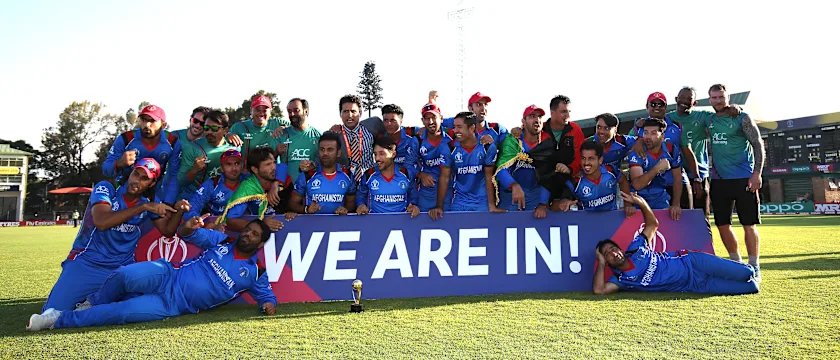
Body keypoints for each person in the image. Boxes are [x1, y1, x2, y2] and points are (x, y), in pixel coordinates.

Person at [26, 217, 278, 331]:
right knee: (124, 275)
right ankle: (92, 302)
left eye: (254, 234)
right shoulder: (222, 240)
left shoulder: (256, 272)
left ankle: (57, 319)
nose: (247, 234)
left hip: (172, 304)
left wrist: (268, 304)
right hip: (167, 274)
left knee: (120, 313)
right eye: (247, 230)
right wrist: (188, 227)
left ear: (259, 244)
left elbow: (267, 295)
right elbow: (188, 234)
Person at [41, 159, 189, 312]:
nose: (136, 180)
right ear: (130, 173)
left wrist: (180, 212)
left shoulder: (148, 202)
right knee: (51, 312)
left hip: (121, 269)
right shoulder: (107, 189)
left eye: (144, 178)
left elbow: (167, 231)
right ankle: (91, 301)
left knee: (139, 307)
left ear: (151, 184)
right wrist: (143, 207)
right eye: (135, 174)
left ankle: (92, 303)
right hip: (87, 262)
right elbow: (101, 222)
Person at [592, 191, 759, 295]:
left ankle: (750, 269)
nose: (613, 253)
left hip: (693, 262)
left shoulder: (636, 249)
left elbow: (652, 225)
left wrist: (642, 204)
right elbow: (599, 290)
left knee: (746, 274)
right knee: (752, 287)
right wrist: (600, 263)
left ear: (620, 249)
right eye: (608, 254)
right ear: (606, 261)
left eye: (613, 249)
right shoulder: (621, 279)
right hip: (694, 284)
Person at [707, 84, 765, 280]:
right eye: (714, 98)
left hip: (744, 179)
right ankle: (737, 264)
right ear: (709, 99)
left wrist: (757, 173)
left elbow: (757, 143)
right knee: (722, 224)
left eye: (721, 97)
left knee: (748, 224)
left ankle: (754, 265)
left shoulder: (742, 117)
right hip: (719, 180)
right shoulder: (709, 120)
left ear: (728, 97)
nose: (718, 101)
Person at [668, 86, 741, 216]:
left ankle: (705, 237)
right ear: (676, 99)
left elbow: (722, 115)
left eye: (689, 99)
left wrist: (735, 107)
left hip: (700, 174)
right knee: (678, 216)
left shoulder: (703, 117)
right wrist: (639, 122)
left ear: (694, 103)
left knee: (702, 216)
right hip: (674, 174)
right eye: (682, 98)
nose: (684, 101)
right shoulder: (666, 119)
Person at [429, 112, 502, 220]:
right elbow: (444, 177)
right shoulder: (449, 148)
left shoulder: (487, 147)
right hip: (460, 201)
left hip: (482, 202)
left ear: (472, 128)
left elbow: (489, 177)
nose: (455, 131)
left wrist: (491, 205)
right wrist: (439, 206)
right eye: (454, 127)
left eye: (459, 127)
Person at [102, 104, 181, 204]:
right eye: (144, 120)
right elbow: (106, 170)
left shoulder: (172, 142)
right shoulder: (126, 138)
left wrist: (168, 203)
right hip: (125, 191)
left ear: (163, 125)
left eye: (152, 121)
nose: (147, 124)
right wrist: (119, 163)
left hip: (155, 193)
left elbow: (174, 176)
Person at [493, 105, 551, 218]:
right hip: (511, 196)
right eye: (532, 116)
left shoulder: (546, 144)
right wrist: (514, 185)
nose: (537, 120)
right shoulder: (513, 141)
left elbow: (548, 176)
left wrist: (543, 203)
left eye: (539, 117)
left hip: (535, 196)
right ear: (523, 121)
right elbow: (501, 169)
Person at [216, 147, 287, 233]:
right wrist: (261, 225)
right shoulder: (247, 187)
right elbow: (230, 221)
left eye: (274, 162)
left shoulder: (280, 177)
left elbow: (282, 166)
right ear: (255, 169)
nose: (274, 167)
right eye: (268, 164)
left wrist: (275, 185)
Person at [555, 141, 635, 216]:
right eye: (583, 158)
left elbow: (623, 181)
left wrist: (627, 204)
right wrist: (561, 204)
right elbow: (554, 205)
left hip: (612, 220)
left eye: (591, 158)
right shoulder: (575, 181)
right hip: (588, 224)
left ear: (600, 160)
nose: (586, 163)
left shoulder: (611, 171)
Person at [286, 132, 356, 218]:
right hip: (313, 228)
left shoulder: (347, 175)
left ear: (338, 153)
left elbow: (351, 204)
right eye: (322, 149)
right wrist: (306, 209)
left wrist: (345, 210)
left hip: (338, 228)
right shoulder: (307, 175)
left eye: (330, 149)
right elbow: (292, 203)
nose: (325, 153)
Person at [176, 110, 239, 201]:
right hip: (194, 197)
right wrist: (194, 170)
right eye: (206, 128)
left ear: (225, 130)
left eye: (214, 128)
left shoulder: (235, 147)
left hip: (222, 197)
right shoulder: (192, 148)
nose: (209, 132)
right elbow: (181, 180)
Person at [628, 118, 683, 220]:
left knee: (667, 230)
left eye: (653, 133)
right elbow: (637, 185)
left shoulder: (671, 150)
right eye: (645, 133)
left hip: (660, 198)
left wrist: (676, 204)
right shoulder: (637, 151)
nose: (648, 137)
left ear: (662, 136)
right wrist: (656, 168)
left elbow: (678, 178)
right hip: (638, 199)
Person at [356, 136, 420, 217]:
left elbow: (413, 195)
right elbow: (361, 195)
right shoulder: (369, 174)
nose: (377, 158)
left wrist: (413, 205)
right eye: (375, 154)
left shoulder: (406, 174)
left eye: (382, 153)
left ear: (393, 154)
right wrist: (361, 205)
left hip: (401, 223)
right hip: (374, 223)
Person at [225, 95, 290, 169]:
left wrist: (284, 127)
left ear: (270, 111)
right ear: (251, 111)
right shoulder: (239, 126)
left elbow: (298, 127)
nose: (261, 113)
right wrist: (228, 135)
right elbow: (223, 139)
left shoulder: (277, 123)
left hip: (272, 173)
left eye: (264, 110)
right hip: (247, 174)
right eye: (257, 110)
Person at [185, 149, 246, 222]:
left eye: (237, 164)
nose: (234, 168)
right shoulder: (212, 184)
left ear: (242, 166)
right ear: (221, 168)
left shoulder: (249, 182)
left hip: (244, 225)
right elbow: (194, 206)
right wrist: (197, 220)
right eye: (228, 164)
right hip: (215, 225)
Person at [415, 104, 455, 212]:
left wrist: (484, 138)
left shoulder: (452, 137)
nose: (431, 122)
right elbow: (408, 164)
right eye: (427, 118)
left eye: (434, 117)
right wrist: (420, 174)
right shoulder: (418, 139)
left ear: (441, 119)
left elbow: (469, 124)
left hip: (448, 191)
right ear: (422, 121)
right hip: (426, 193)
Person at [273, 98, 321, 184]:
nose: (292, 114)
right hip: (287, 189)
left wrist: (314, 165)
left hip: (312, 188)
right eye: (289, 111)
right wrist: (276, 152)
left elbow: (326, 162)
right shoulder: (281, 134)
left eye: (296, 110)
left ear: (305, 111)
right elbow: (270, 161)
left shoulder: (318, 136)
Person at [329, 95, 376, 181]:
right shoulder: (334, 135)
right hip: (344, 183)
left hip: (370, 181)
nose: (349, 115)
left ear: (360, 113)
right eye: (346, 111)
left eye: (353, 111)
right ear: (340, 114)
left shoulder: (373, 127)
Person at [442, 92, 508, 148]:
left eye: (485, 104)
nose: (483, 108)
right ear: (470, 108)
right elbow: (437, 122)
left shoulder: (497, 129)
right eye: (479, 105)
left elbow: (512, 144)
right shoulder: (456, 123)